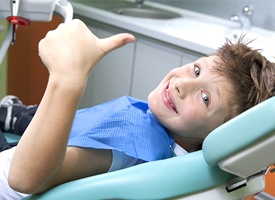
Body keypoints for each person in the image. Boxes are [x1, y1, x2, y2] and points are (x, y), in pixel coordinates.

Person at [0, 19, 274, 199]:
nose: (182, 84)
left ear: (214, 135)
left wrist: (68, 79)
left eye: (205, 98)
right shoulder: (164, 146)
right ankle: (21, 115)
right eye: (197, 69)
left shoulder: (130, 149)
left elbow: (23, 179)